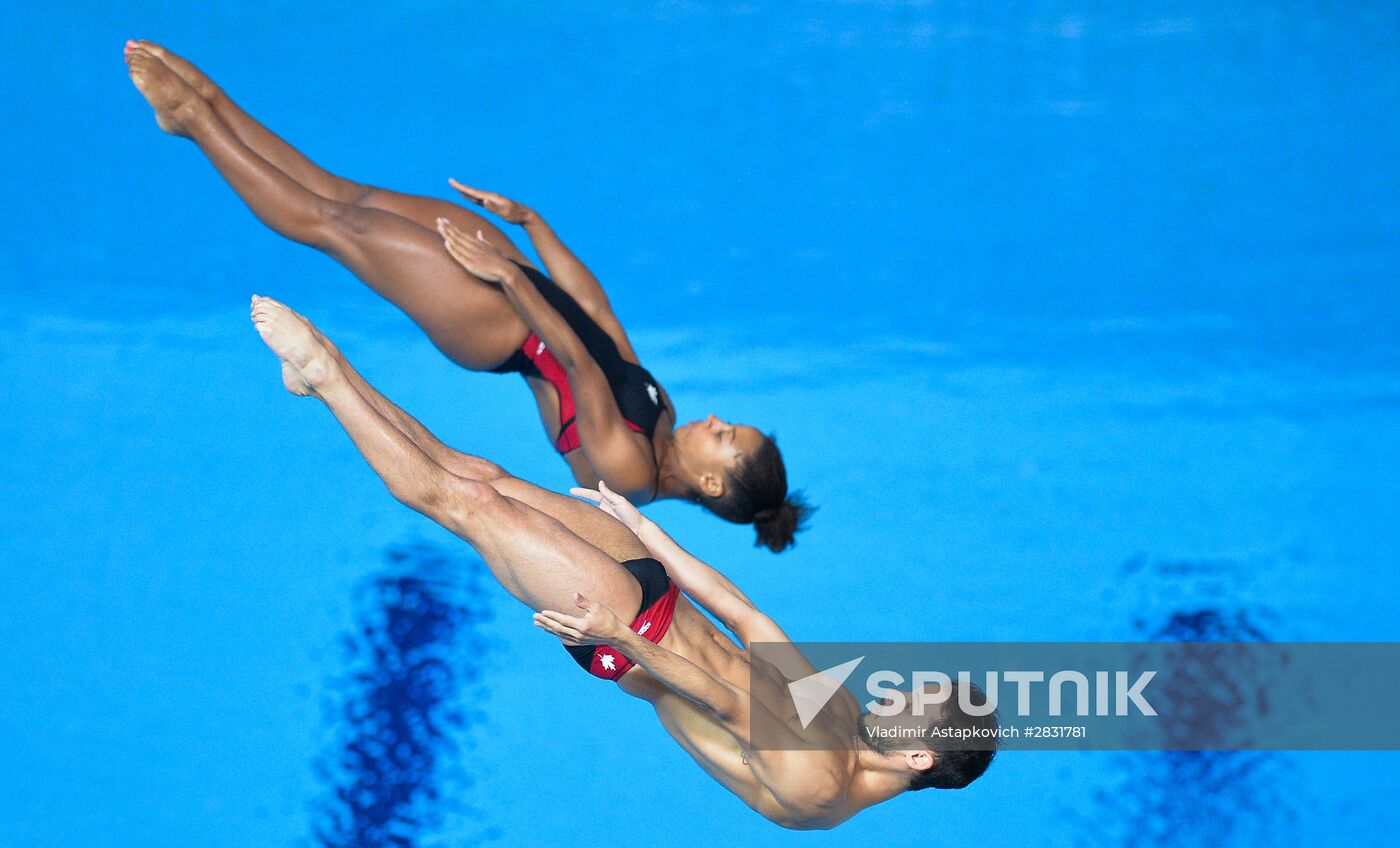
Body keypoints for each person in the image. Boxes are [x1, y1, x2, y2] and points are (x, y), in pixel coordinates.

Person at [247, 295, 995, 828]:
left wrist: (624, 635)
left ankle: (329, 368)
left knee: (463, 506)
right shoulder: (841, 711)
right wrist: (651, 534)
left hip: (632, 640)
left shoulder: (819, 789)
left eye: (907, 706)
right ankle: (321, 387)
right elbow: (745, 615)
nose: (890, 694)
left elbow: (722, 700)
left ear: (922, 758)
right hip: (656, 592)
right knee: (484, 476)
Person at [124, 40, 812, 550]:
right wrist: (532, 226)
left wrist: (507, 276)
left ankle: (192, 119)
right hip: (517, 282)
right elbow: (599, 320)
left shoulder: (630, 475)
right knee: (347, 194)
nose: (718, 418)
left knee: (330, 226)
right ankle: (212, 105)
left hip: (494, 324)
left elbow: (574, 364)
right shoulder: (664, 415)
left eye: (725, 437)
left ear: (712, 485)